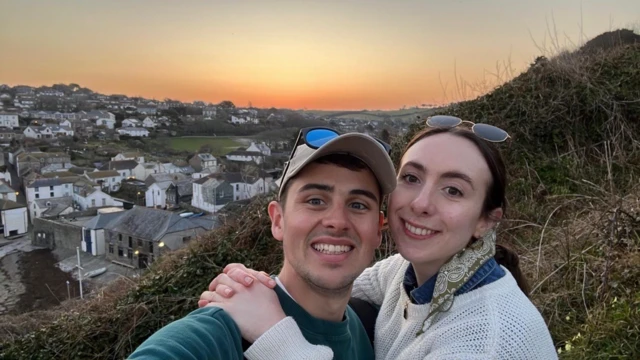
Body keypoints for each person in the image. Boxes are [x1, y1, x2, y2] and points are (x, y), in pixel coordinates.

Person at [199, 116, 558, 359]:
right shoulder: (407, 273)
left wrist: (273, 333)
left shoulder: (489, 341)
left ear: (485, 221)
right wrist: (253, 288)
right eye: (412, 178)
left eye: (452, 190)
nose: (420, 204)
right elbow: (335, 285)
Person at [127, 127, 397, 360]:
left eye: (358, 205)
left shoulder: (367, 328)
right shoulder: (222, 332)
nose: (337, 221)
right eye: (315, 201)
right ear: (278, 220)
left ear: (377, 230)